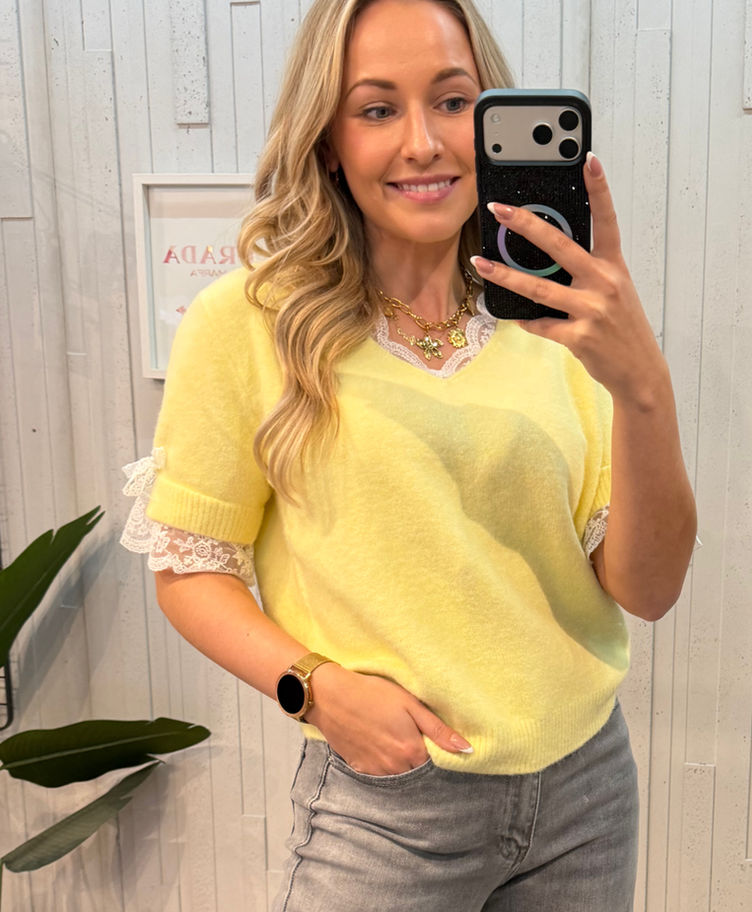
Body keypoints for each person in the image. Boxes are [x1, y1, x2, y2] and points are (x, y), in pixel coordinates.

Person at [121, 0, 697, 908]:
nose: (423, 143)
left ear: (493, 121)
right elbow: (191, 568)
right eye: (378, 108)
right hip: (388, 812)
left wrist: (644, 386)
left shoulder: (557, 322)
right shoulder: (249, 322)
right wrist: (315, 689)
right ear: (329, 140)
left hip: (586, 796)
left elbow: (648, 590)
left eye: (454, 101)